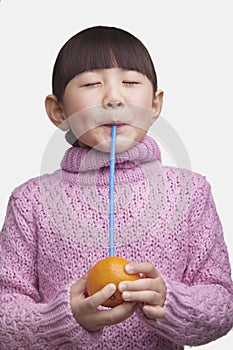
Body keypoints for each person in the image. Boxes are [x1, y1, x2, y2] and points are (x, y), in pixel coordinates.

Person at [0, 26, 232, 350]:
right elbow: (4, 315)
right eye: (92, 83)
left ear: (155, 105)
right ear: (58, 111)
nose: (113, 98)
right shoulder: (31, 202)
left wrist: (169, 302)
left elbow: (222, 306)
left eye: (130, 82)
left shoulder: (190, 193)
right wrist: (63, 318)